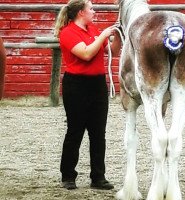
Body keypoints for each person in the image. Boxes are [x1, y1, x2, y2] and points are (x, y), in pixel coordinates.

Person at [54, 0, 121, 190]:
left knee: (98, 133)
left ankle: (98, 177)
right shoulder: (68, 33)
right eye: (91, 8)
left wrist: (117, 37)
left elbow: (113, 51)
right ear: (81, 12)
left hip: (97, 84)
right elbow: (85, 54)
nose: (94, 11)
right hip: (76, 86)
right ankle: (68, 176)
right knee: (75, 131)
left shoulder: (92, 29)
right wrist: (102, 37)